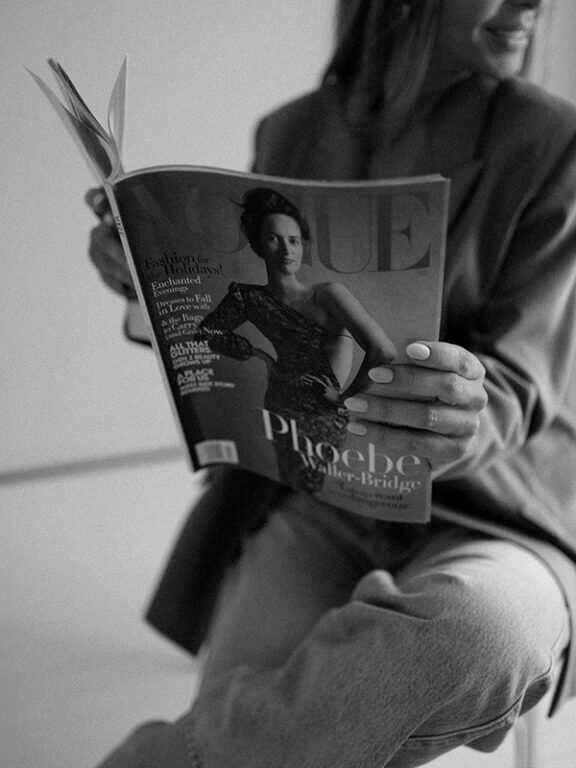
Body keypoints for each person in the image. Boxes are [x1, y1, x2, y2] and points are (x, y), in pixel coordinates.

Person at [87, 1, 576, 766]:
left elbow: (524, 372)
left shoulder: (553, 139)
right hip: (315, 488)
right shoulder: (290, 131)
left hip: (496, 507)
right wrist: (142, 282)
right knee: (275, 706)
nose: (534, 3)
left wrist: (460, 408)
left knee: (484, 637)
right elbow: (213, 340)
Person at [193, 186, 396, 492]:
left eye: (294, 240)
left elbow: (383, 351)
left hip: (323, 409)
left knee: (319, 486)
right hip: (280, 403)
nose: (287, 250)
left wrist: (344, 398)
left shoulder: (328, 295)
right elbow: (205, 332)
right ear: (260, 245)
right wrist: (255, 353)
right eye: (274, 239)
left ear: (303, 246)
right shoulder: (248, 297)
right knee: (290, 486)